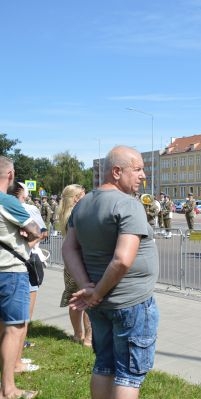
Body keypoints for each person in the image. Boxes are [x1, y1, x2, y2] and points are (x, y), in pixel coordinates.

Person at [62, 145, 159, 399]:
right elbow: (122, 261)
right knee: (128, 375)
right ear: (116, 171)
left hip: (99, 304)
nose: (143, 176)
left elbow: (69, 249)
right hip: (130, 302)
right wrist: (95, 293)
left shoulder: (83, 205)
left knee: (104, 365)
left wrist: (88, 287)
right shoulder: (128, 204)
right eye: (137, 169)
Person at [0, 156, 42, 399]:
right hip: (11, 271)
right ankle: (8, 389)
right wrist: (24, 232)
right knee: (14, 328)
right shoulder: (8, 201)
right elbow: (35, 231)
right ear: (11, 175)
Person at [8, 182, 47, 374]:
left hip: (13, 265)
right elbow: (38, 232)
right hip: (19, 265)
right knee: (19, 321)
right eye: (24, 196)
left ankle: (14, 360)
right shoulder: (16, 207)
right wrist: (30, 241)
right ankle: (15, 362)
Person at [55, 184, 92, 348]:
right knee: (87, 299)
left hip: (70, 263)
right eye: (83, 194)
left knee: (74, 299)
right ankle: (89, 339)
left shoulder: (64, 213)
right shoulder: (80, 214)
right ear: (76, 197)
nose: (86, 197)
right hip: (84, 261)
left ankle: (78, 334)